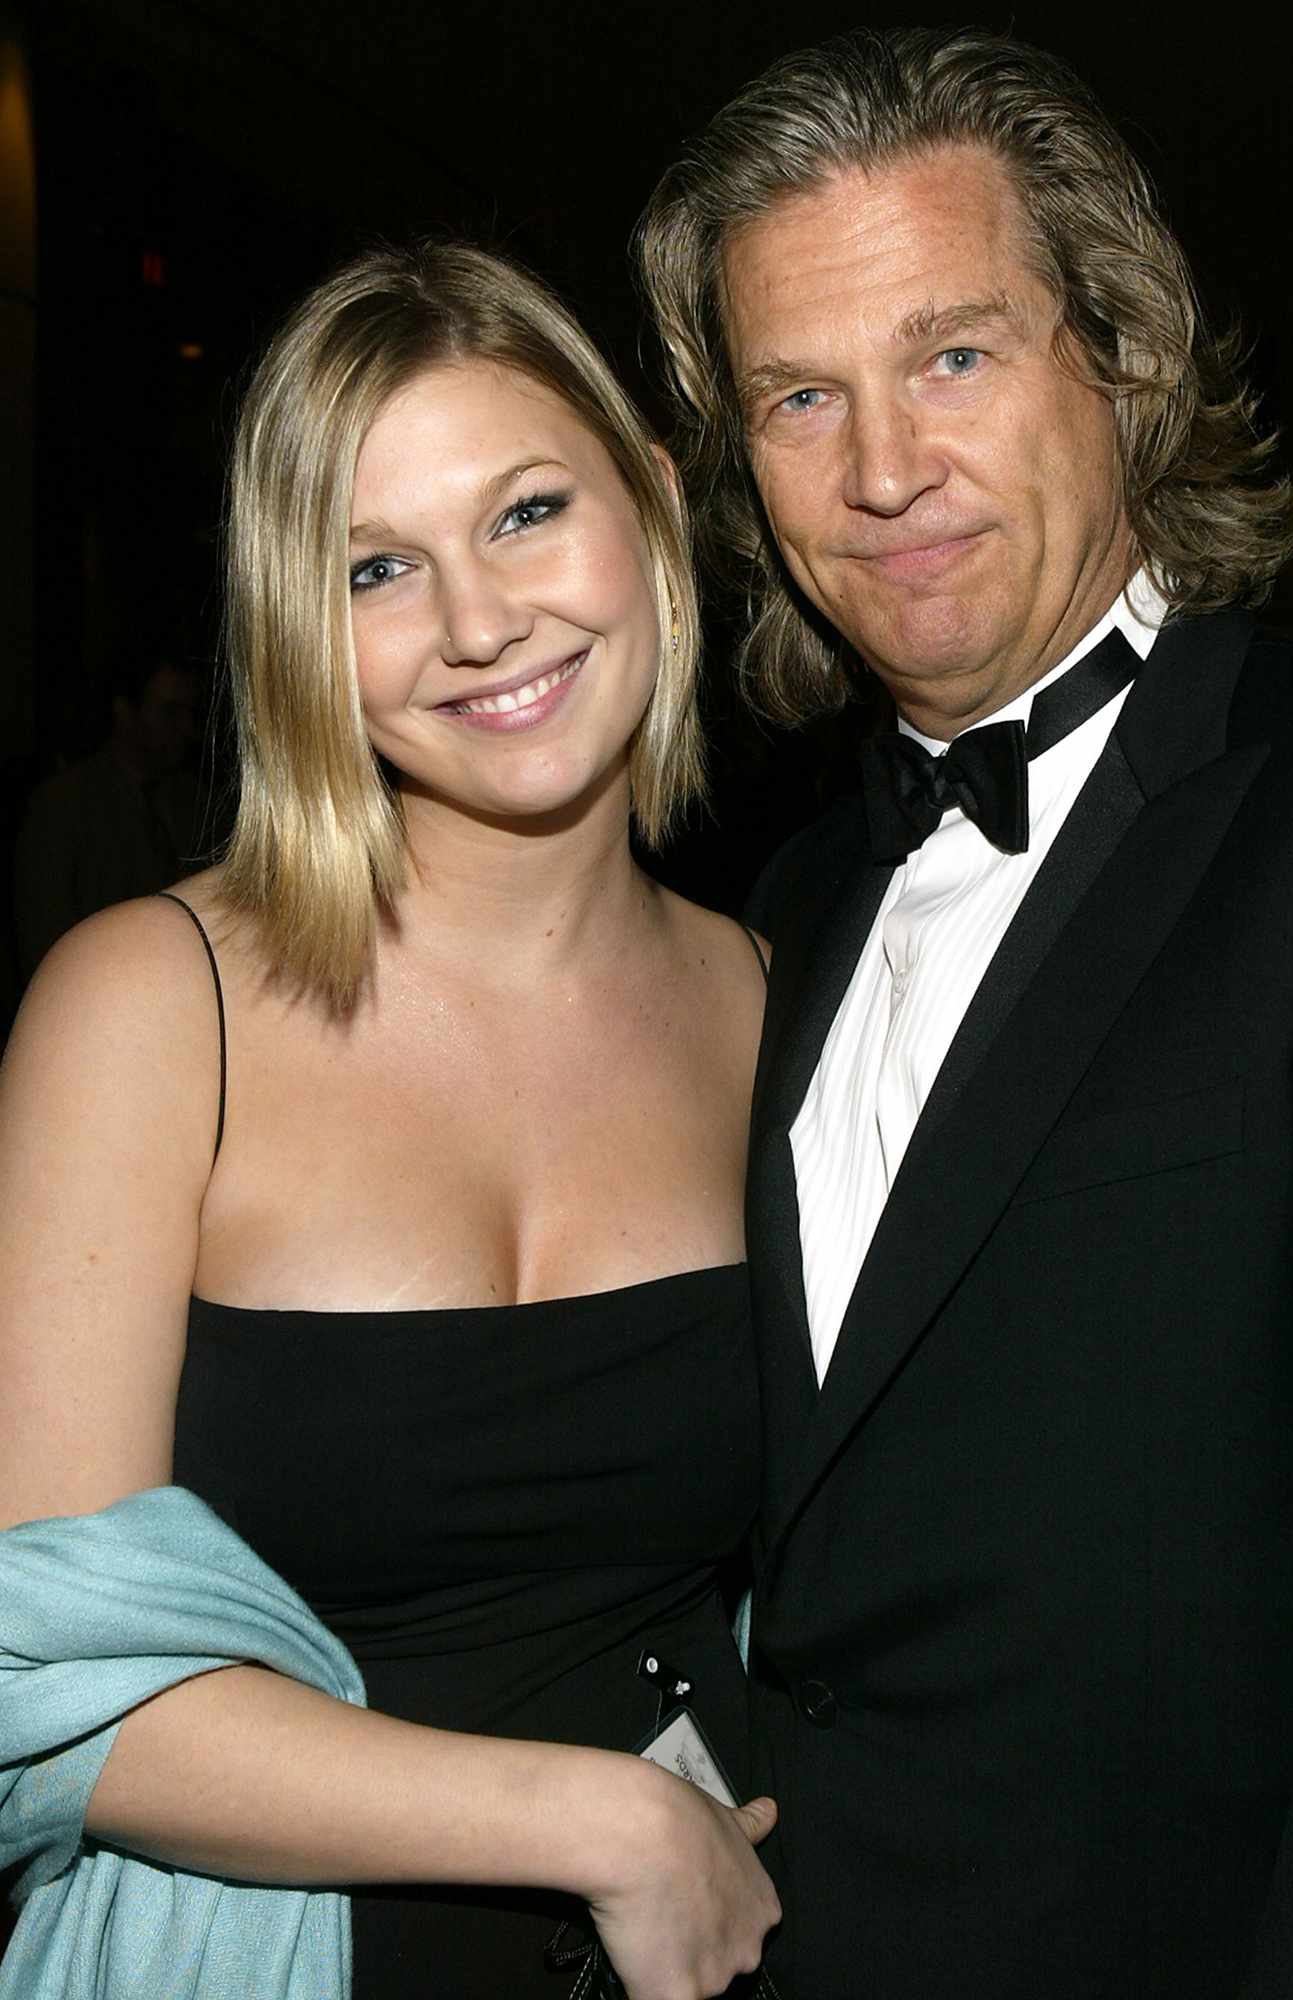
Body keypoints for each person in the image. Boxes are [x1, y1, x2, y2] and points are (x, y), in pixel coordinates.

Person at [637, 27, 1293, 1998]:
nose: (879, 469)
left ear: (1115, 352)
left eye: (953, 355)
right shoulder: (783, 905)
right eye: (798, 394)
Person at [0, 241, 780, 1999]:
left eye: (524, 512)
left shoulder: (777, 1001)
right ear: (298, 622)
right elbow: (34, 1692)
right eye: (377, 566)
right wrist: (609, 1827)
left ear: (650, 505)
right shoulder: (149, 1008)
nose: (479, 621)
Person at [12, 648, 203, 978]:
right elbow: (43, 934)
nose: (186, 729)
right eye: (169, 713)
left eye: (189, 714)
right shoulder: (65, 804)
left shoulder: (193, 800)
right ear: (125, 712)